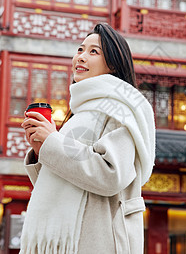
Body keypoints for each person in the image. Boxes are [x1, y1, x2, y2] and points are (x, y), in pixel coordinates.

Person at [19, 23, 156, 254]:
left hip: (97, 237)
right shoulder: (81, 112)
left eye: (93, 52)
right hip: (70, 241)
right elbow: (63, 182)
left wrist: (53, 142)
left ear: (112, 64)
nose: (81, 57)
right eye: (80, 49)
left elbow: (110, 174)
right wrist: (42, 150)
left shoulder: (121, 109)